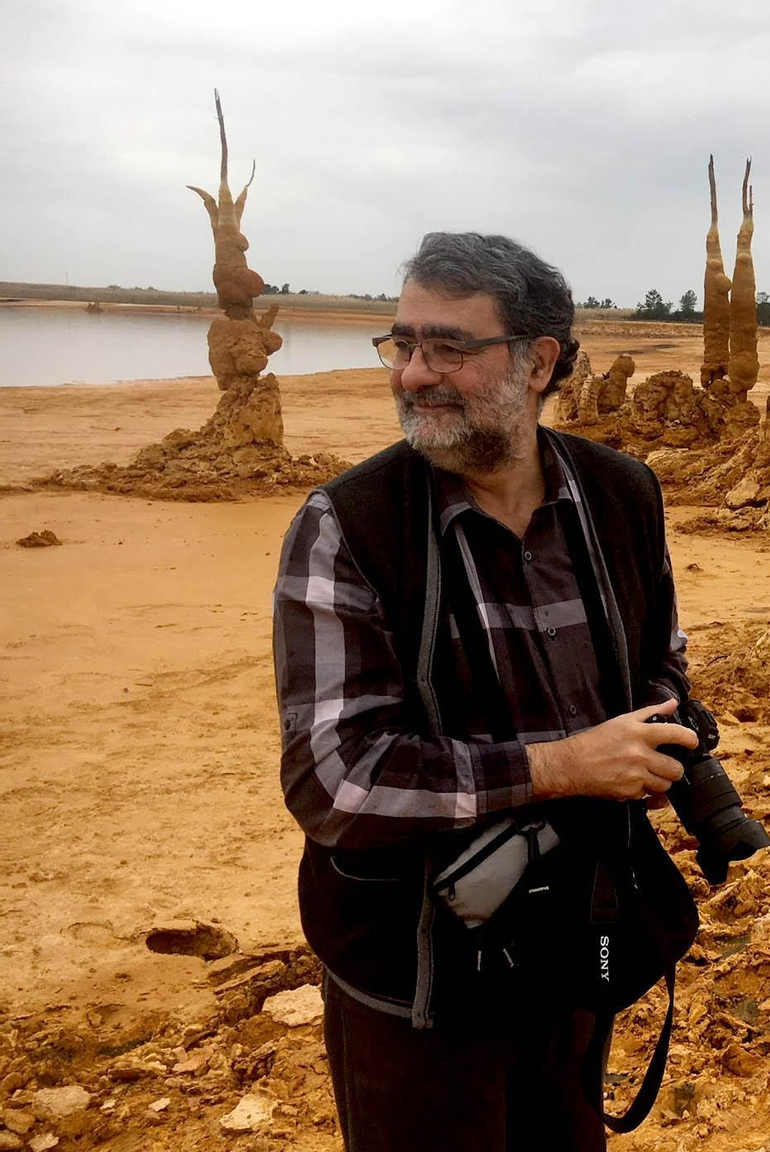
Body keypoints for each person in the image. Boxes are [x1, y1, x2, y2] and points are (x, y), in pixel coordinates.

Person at [272, 231, 700, 1151]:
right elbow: (333, 781)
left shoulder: (623, 494)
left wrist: (659, 737)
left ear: (539, 360)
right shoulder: (347, 526)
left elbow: (662, 665)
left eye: (450, 348)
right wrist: (563, 769)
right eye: (402, 344)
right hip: (416, 977)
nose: (413, 374)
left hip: (576, 937)